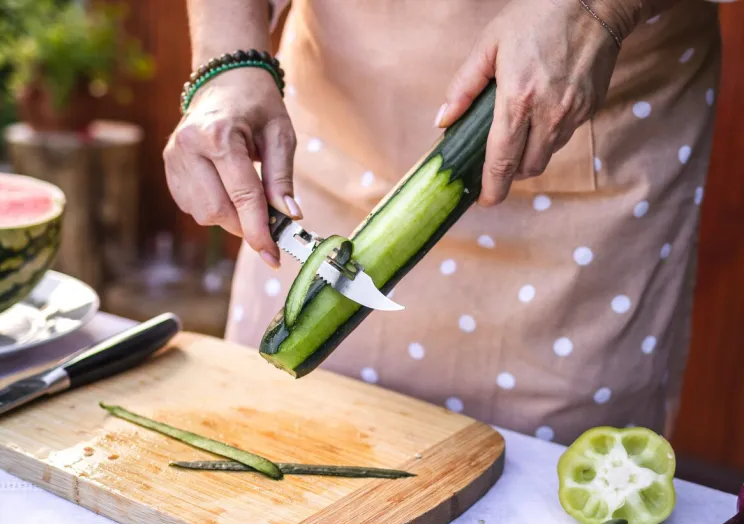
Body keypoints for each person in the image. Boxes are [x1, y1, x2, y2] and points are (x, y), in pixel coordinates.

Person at [163, 0, 729, 446]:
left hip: (586, 153)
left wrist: (594, 9)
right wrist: (227, 63)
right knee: (277, 441)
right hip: (329, 145)